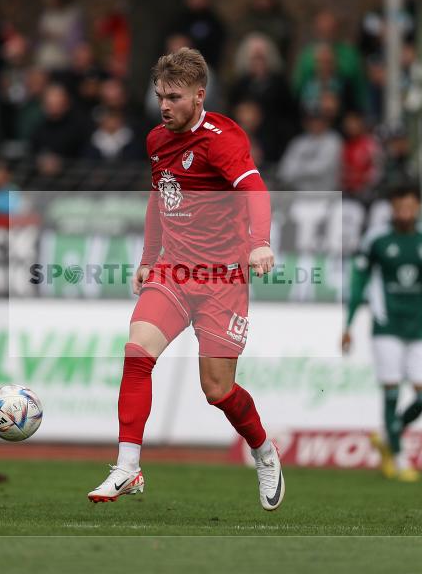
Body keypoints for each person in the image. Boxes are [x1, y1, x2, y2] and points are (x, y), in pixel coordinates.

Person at [87, 48, 284, 511]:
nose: (164, 105)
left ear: (199, 96)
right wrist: (147, 257)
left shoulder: (222, 139)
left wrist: (260, 241)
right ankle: (128, 467)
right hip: (173, 272)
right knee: (137, 352)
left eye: (174, 97)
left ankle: (263, 451)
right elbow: (160, 198)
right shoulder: (156, 139)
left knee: (217, 390)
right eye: (160, 96)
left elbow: (255, 190)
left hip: (222, 281)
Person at [341, 184, 422, 482]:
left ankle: (388, 435)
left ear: (418, 208)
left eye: (410, 207)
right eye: (400, 207)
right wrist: (348, 324)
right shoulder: (377, 239)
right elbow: (359, 281)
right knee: (391, 392)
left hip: (419, 329)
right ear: (392, 208)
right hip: (386, 327)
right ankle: (399, 459)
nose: (405, 213)